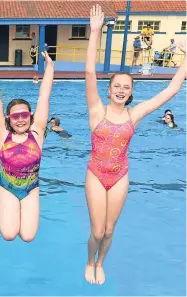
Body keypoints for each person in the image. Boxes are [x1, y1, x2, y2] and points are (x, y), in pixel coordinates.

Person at [84, 5, 186, 285]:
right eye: (117, 85)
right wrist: (95, 32)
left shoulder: (134, 114)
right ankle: (88, 260)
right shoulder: (96, 110)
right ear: (109, 89)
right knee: (96, 230)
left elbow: (171, 90)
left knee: (109, 229)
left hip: (119, 175)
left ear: (130, 92)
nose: (120, 90)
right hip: (95, 173)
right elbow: (90, 73)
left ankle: (101, 263)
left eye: (126, 87)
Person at [0, 50, 54, 242]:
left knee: (28, 236)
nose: (21, 120)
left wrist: (49, 68)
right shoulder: (2, 135)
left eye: (25, 115)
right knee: (8, 234)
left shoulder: (37, 133)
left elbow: (44, 98)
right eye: (16, 116)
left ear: (31, 116)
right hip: (8, 186)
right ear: (9, 119)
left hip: (31, 188)